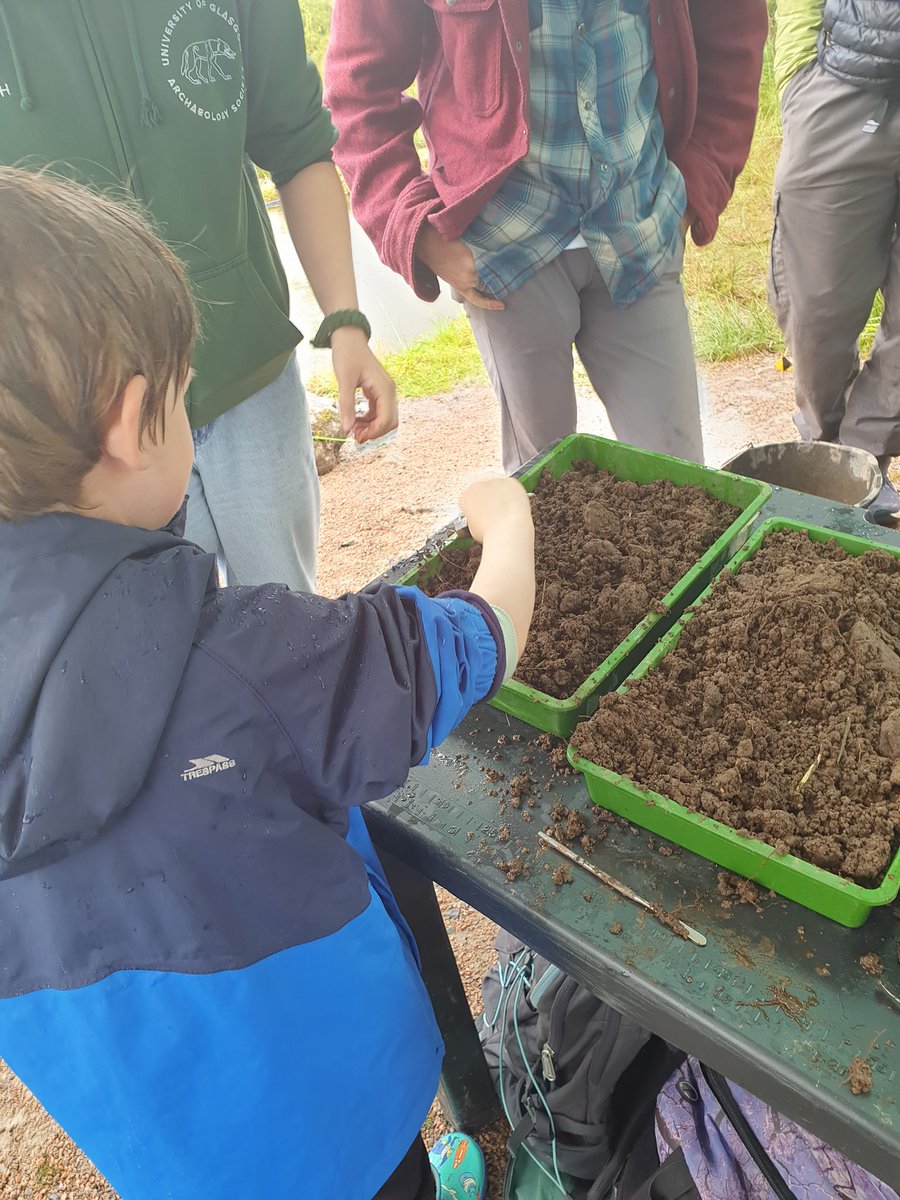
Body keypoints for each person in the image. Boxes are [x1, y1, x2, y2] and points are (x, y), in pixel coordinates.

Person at [0, 168, 536, 1200]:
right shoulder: (239, 656)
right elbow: (475, 644)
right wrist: (506, 523)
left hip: (165, 1149)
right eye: (182, 390)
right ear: (130, 422)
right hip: (335, 1119)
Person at [0, 0, 396, 591]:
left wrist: (345, 320)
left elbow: (297, 143)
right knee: (150, 640)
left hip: (249, 372)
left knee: (284, 607)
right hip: (87, 430)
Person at [324, 0, 767, 474]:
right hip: (503, 255)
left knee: (684, 486)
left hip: (641, 230)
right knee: (543, 495)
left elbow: (733, 35)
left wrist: (695, 188)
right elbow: (359, 90)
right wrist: (419, 235)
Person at [769, 0, 900, 524]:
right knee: (816, 306)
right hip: (841, 77)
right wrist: (798, 72)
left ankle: (867, 460)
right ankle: (830, 458)